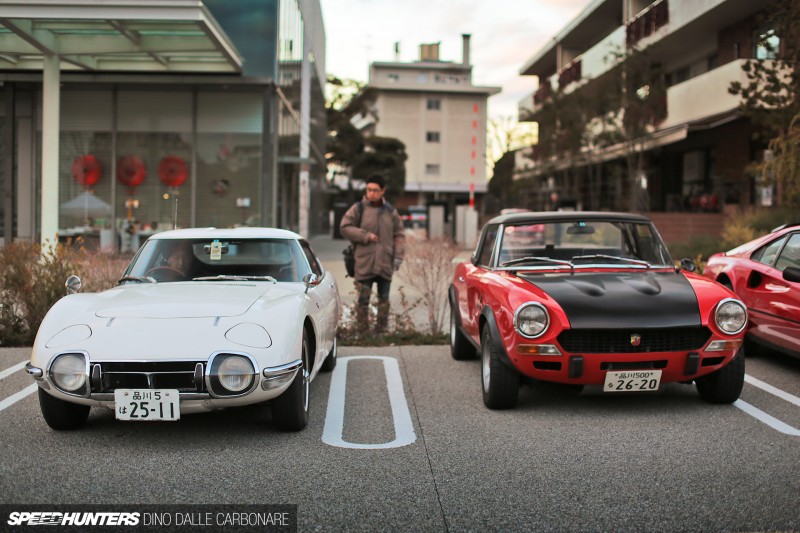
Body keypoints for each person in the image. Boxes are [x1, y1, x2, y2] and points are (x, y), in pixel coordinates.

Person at [340, 175, 405, 332]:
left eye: (375, 190)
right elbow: (345, 227)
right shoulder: (358, 208)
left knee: (384, 300)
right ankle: (362, 330)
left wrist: (398, 257)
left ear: (383, 191)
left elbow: (399, 235)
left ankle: (381, 331)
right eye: (369, 190)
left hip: (385, 262)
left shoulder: (391, 212)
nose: (371, 193)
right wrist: (365, 236)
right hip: (365, 262)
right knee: (363, 300)